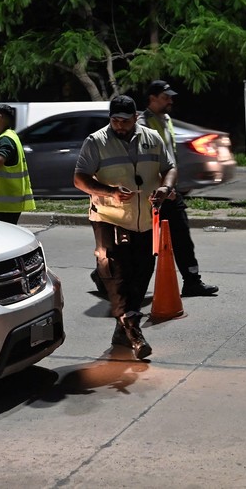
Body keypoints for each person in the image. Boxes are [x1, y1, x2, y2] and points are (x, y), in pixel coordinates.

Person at [74, 95, 177, 360]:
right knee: (116, 274)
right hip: (110, 218)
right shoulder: (96, 141)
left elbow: (170, 168)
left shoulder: (152, 138)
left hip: (145, 220)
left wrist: (165, 187)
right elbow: (80, 179)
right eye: (115, 120)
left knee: (142, 273)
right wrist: (110, 192)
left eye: (125, 120)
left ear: (135, 118)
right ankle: (134, 332)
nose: (119, 125)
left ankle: (123, 329)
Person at [139, 80, 219, 297]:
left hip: (170, 191)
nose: (170, 101)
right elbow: (146, 163)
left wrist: (170, 186)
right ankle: (106, 276)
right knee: (146, 244)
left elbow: (169, 158)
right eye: (165, 97)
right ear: (152, 98)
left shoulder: (166, 120)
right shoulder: (142, 124)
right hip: (153, 195)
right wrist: (161, 188)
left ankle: (192, 281)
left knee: (182, 237)